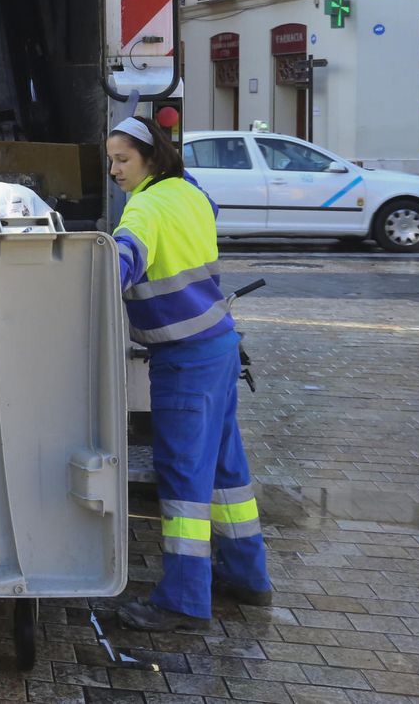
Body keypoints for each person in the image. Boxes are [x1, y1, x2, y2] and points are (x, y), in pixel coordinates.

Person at [107, 115, 272, 630]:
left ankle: (183, 600)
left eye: (123, 159)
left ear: (151, 158)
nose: (114, 170)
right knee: (226, 473)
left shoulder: (144, 209)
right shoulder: (190, 191)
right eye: (110, 160)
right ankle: (248, 579)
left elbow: (125, 258)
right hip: (219, 346)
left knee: (182, 479)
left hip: (184, 359)